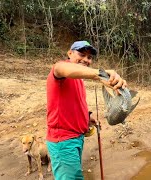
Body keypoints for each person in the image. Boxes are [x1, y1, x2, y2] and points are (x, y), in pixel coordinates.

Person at [46, 40, 127, 180]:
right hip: (63, 141)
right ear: (69, 53)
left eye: (89, 57)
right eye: (81, 54)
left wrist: (87, 116)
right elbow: (62, 69)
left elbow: (74, 103)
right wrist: (99, 74)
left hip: (76, 138)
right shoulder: (60, 68)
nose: (86, 59)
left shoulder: (79, 79)